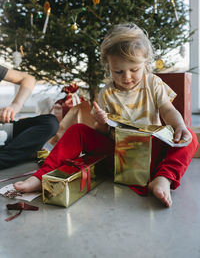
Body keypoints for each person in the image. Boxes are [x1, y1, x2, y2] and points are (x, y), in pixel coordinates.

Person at [14, 23, 198, 208]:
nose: (126, 77)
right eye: (118, 71)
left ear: (146, 64)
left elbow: (167, 110)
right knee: (78, 130)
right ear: (108, 66)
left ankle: (163, 178)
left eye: (134, 70)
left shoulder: (153, 83)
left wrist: (179, 126)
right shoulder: (107, 93)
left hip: (151, 151)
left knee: (190, 138)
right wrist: (101, 123)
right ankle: (40, 177)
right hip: (117, 153)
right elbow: (101, 133)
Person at [0, 65, 59, 168]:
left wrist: (15, 105)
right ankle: (18, 154)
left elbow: (28, 79)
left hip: (3, 132)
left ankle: (13, 155)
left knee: (50, 122)